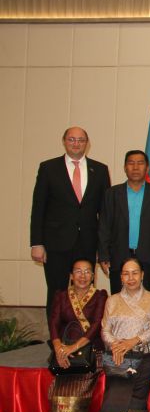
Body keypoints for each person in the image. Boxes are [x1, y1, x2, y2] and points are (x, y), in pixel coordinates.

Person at [31, 127, 111, 312]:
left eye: (81, 140)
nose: (76, 144)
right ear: (64, 141)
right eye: (72, 139)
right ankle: (55, 330)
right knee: (56, 292)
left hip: (88, 242)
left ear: (87, 143)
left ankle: (85, 330)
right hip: (56, 243)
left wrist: (104, 248)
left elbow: (105, 213)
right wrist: (36, 243)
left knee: (86, 292)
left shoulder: (100, 170)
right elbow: (38, 208)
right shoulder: (48, 168)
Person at [47, 258, 106, 412]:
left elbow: (97, 325)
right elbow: (54, 322)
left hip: (89, 353)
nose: (83, 276)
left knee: (79, 392)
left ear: (93, 276)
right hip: (64, 352)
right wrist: (59, 348)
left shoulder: (100, 296)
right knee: (57, 393)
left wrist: (74, 348)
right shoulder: (61, 296)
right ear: (71, 276)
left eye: (87, 272)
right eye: (78, 272)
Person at [98, 258, 150, 412]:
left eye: (135, 273)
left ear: (142, 275)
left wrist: (134, 341)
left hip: (143, 355)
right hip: (118, 355)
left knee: (137, 398)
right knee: (114, 394)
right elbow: (105, 329)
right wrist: (116, 345)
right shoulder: (112, 300)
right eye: (125, 273)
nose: (130, 278)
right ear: (121, 277)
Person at [98, 150, 150, 293]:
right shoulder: (112, 194)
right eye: (131, 163)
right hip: (118, 255)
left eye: (140, 163)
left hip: (148, 257)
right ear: (125, 168)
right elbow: (104, 226)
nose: (135, 167)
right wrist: (103, 255)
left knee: (147, 300)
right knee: (119, 298)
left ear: (147, 168)